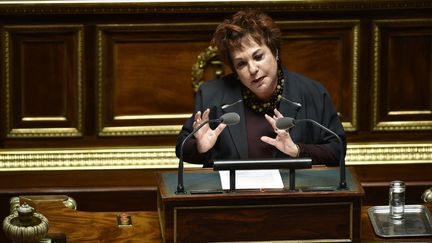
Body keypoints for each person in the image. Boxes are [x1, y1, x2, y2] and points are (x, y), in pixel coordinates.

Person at [176, 10, 346, 168]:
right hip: (233, 197)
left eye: (258, 57)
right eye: (241, 64)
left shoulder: (312, 92)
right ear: (235, 70)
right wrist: (200, 148)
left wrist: (297, 151)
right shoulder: (212, 94)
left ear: (275, 52)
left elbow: (337, 150)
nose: (252, 69)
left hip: (291, 196)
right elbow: (182, 147)